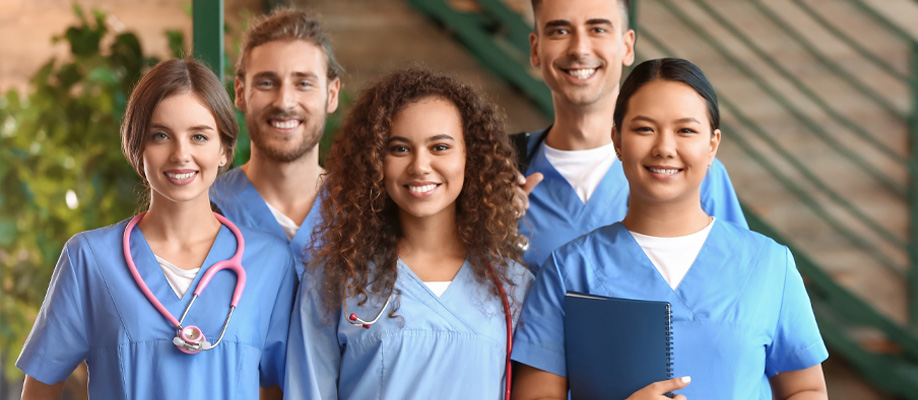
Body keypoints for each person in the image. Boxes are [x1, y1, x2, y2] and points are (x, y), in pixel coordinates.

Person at [511, 58, 829, 399]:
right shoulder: (569, 269)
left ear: (712, 145)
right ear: (617, 140)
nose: (664, 148)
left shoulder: (769, 266)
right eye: (644, 129)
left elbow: (806, 389)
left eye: (686, 131)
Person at [16, 59, 297, 400]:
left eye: (199, 136)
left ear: (224, 150)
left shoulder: (269, 261)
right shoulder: (89, 260)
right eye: (160, 135)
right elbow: (41, 386)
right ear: (138, 148)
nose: (181, 154)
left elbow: (278, 386)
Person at [284, 68, 533, 399]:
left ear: (469, 157)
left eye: (440, 147)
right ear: (375, 161)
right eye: (400, 149)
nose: (420, 166)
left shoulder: (512, 287)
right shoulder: (333, 280)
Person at [515, 0, 747, 271]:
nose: (579, 48)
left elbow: (738, 283)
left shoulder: (692, 173)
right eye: (559, 31)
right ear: (535, 48)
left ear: (627, 46)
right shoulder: (500, 172)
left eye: (598, 29)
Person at [210, 8, 342, 274]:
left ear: (332, 94)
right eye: (267, 83)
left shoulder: (362, 213)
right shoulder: (206, 208)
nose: (284, 102)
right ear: (240, 92)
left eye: (303, 84)